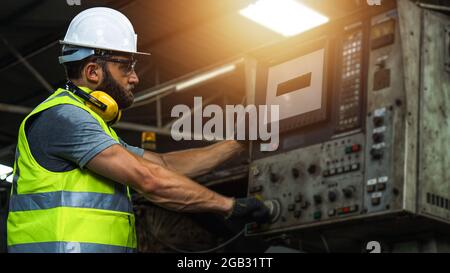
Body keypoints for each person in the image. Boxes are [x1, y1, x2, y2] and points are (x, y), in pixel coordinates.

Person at [6, 7, 269, 253]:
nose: (135, 78)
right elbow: (150, 179)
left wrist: (237, 144)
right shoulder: (64, 118)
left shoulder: (93, 126)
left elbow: (163, 164)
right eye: (126, 67)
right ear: (93, 71)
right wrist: (229, 206)